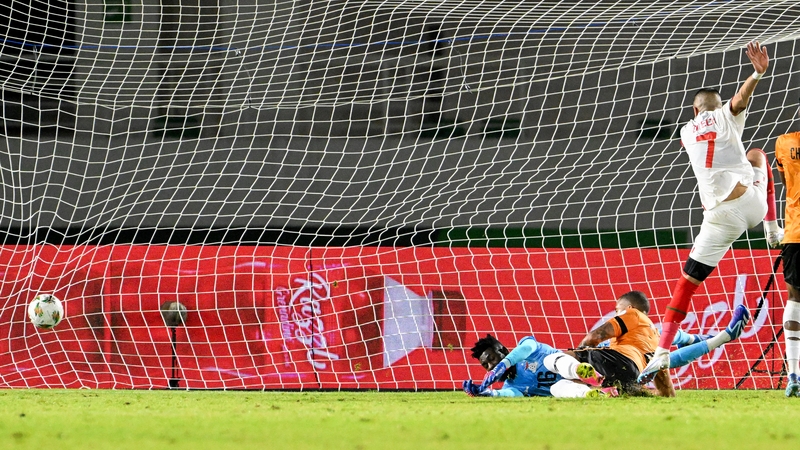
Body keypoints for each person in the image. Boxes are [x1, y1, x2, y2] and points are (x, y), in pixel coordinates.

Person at [639, 40, 782, 380]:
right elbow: (739, 100)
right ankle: (773, 228)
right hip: (750, 205)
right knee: (759, 155)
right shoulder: (725, 115)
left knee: (686, 284)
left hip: (717, 218)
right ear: (717, 107)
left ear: (693, 111)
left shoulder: (686, 133)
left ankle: (661, 351)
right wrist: (757, 74)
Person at [464, 291, 750, 398]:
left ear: (628, 308)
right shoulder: (658, 332)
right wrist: (715, 339)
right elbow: (680, 352)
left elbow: (592, 338)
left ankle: (583, 373)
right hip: (637, 369)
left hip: (606, 362)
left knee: (556, 364)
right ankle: (724, 336)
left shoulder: (630, 316)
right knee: (663, 359)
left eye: (617, 309)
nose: (615, 312)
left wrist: (579, 355)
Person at [462, 334, 619, 398]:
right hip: (583, 386)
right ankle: (593, 394)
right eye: (486, 365)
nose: (491, 365)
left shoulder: (526, 346)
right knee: (556, 389)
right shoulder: (511, 386)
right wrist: (487, 393)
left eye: (492, 358)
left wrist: (502, 365)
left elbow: (527, 348)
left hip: (594, 362)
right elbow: (509, 394)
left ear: (502, 350)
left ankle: (583, 372)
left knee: (551, 360)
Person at [773, 105, 800, 396]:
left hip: (796, 231)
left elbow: (784, 184)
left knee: (795, 297)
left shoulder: (784, 142)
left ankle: (794, 374)